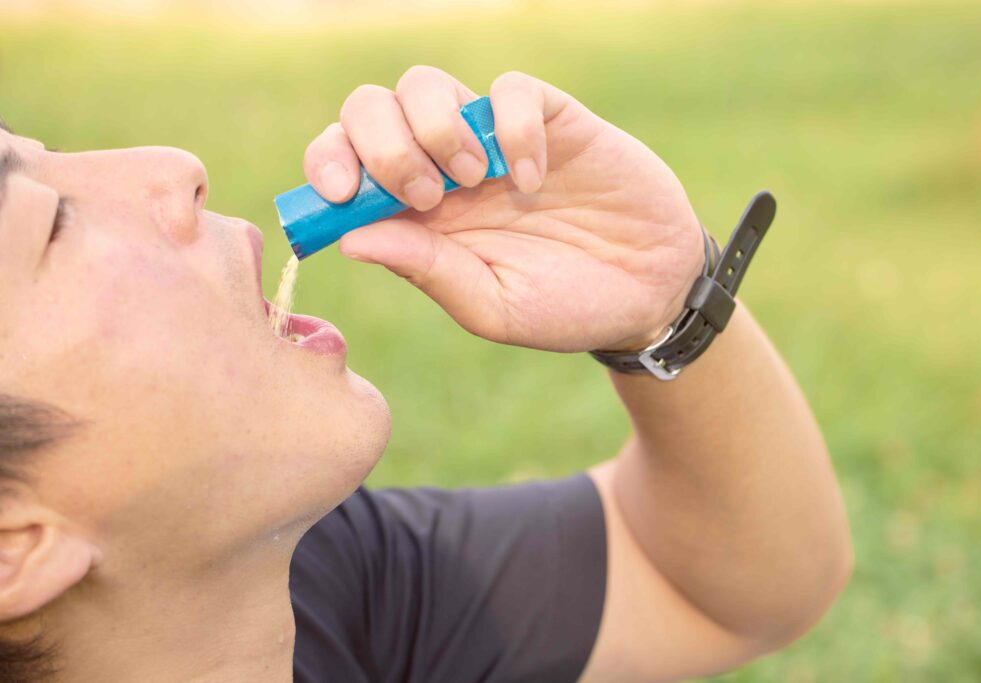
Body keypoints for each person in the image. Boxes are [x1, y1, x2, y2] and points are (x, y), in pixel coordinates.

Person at [0, 66, 852, 683]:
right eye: (52, 225)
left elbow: (719, 590)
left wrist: (664, 310)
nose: (174, 164)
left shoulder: (311, 580)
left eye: (53, 151)